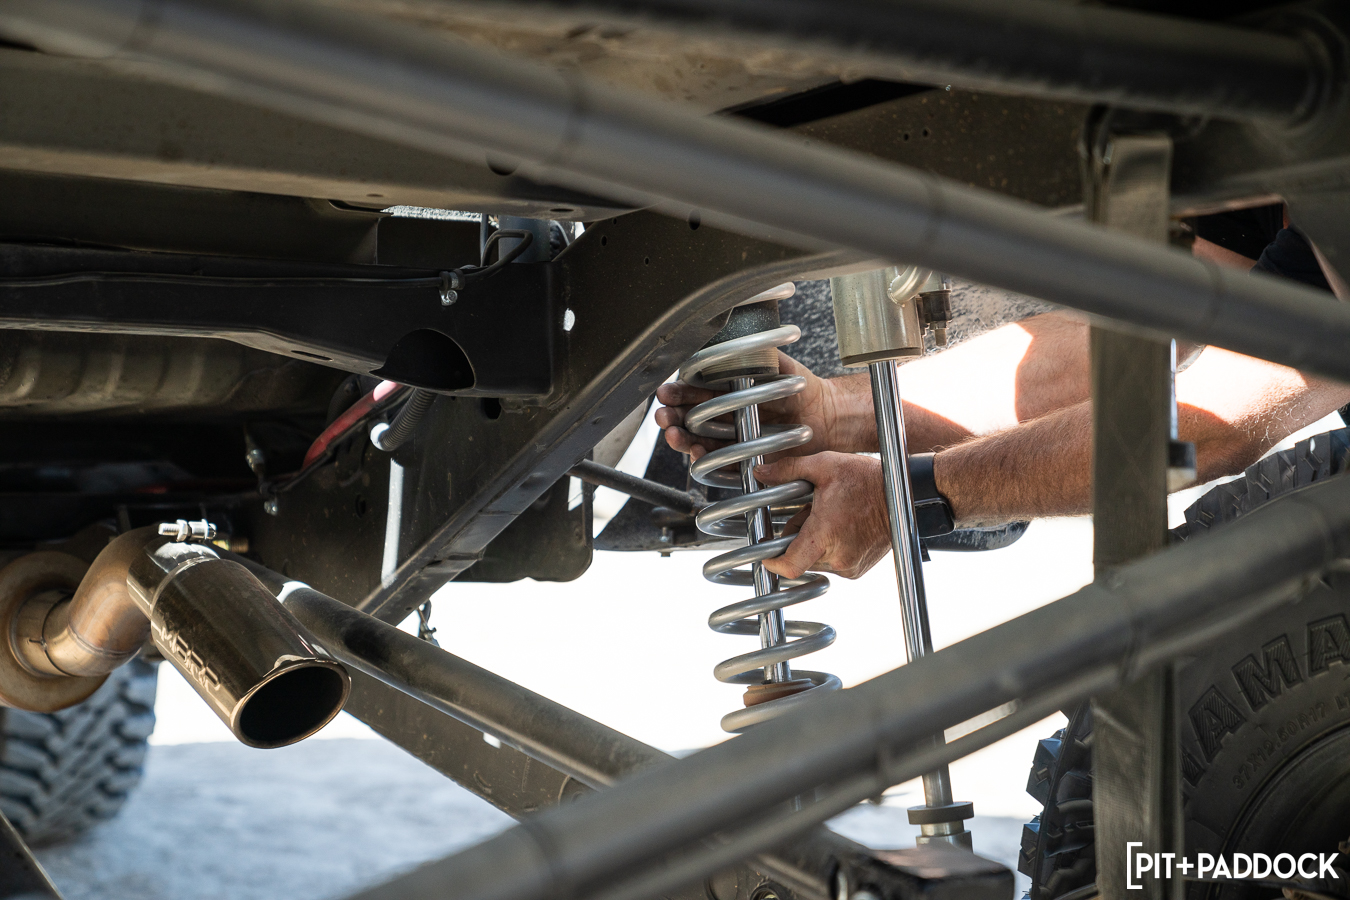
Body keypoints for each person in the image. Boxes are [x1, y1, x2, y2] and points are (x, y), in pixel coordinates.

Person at [655, 206, 1350, 581]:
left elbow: (1209, 424)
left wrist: (905, 497)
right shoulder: (1274, 152)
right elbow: (1129, 347)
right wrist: (837, 411)